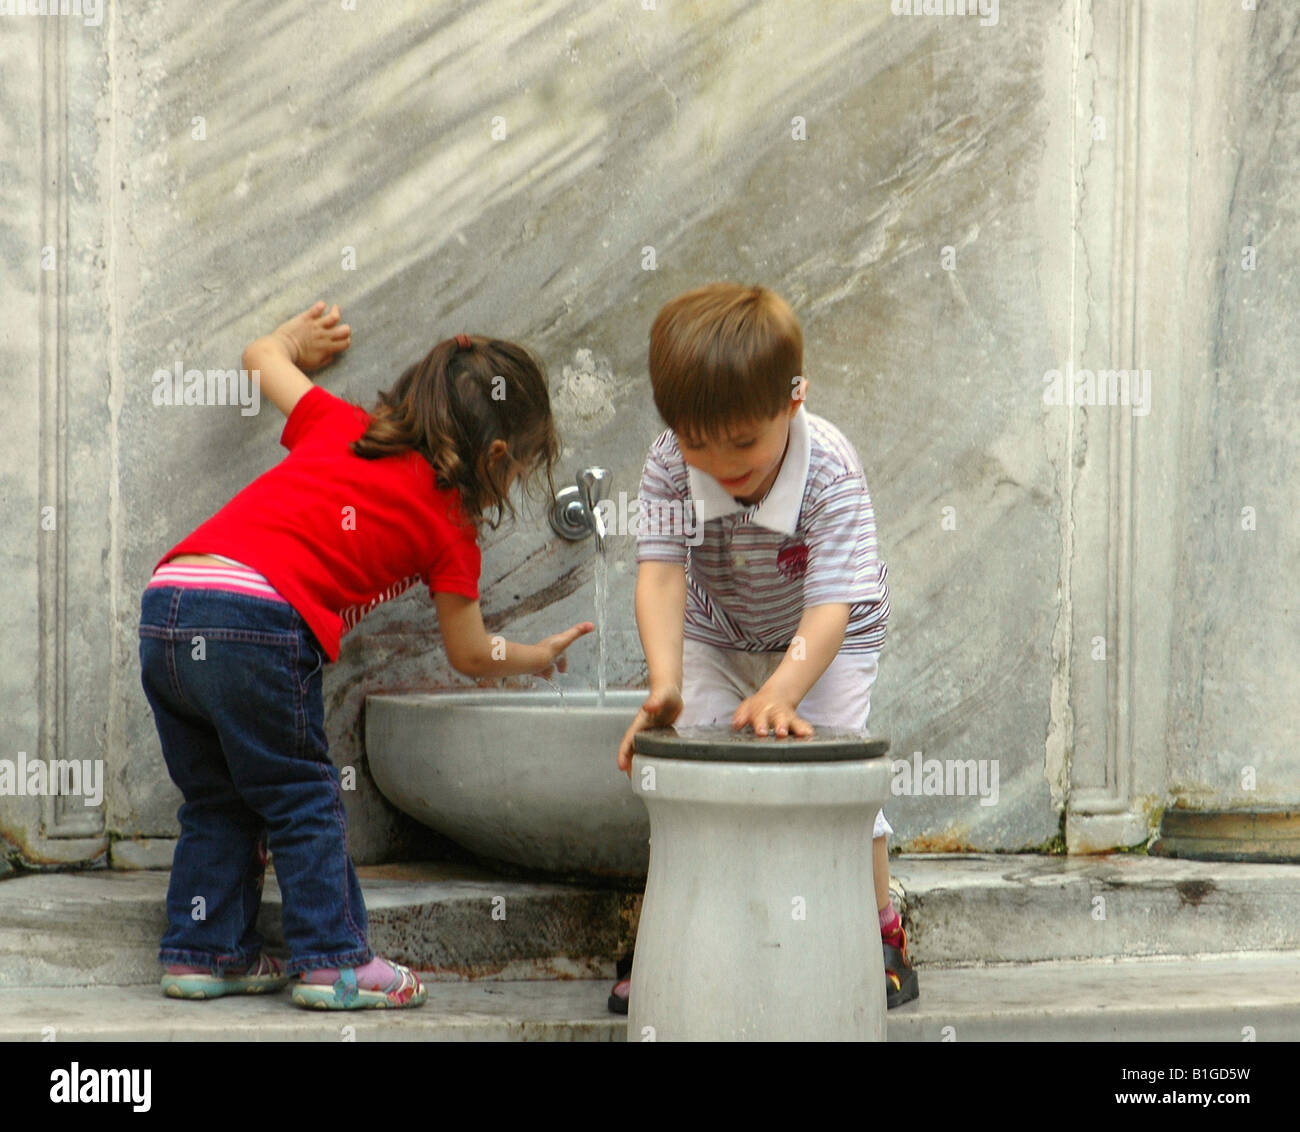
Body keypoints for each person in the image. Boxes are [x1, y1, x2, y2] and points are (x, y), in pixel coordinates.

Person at [139, 301, 592, 1010]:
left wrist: (293, 339)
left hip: (171, 600)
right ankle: (333, 960)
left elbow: (262, 356)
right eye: (523, 468)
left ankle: (205, 953)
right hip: (258, 615)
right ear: (496, 458)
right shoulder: (449, 529)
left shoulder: (341, 425)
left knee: (218, 797)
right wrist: (536, 654)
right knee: (302, 796)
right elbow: (472, 654)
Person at [613, 282, 918, 1014]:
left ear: (794, 399)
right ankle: (676, 934)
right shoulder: (666, 464)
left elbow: (832, 604)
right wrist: (666, 682)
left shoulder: (831, 473)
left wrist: (785, 689)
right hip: (718, 635)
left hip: (828, 638)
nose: (720, 461)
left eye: (743, 441)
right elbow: (659, 575)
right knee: (692, 782)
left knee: (838, 783)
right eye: (696, 442)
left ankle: (879, 934)